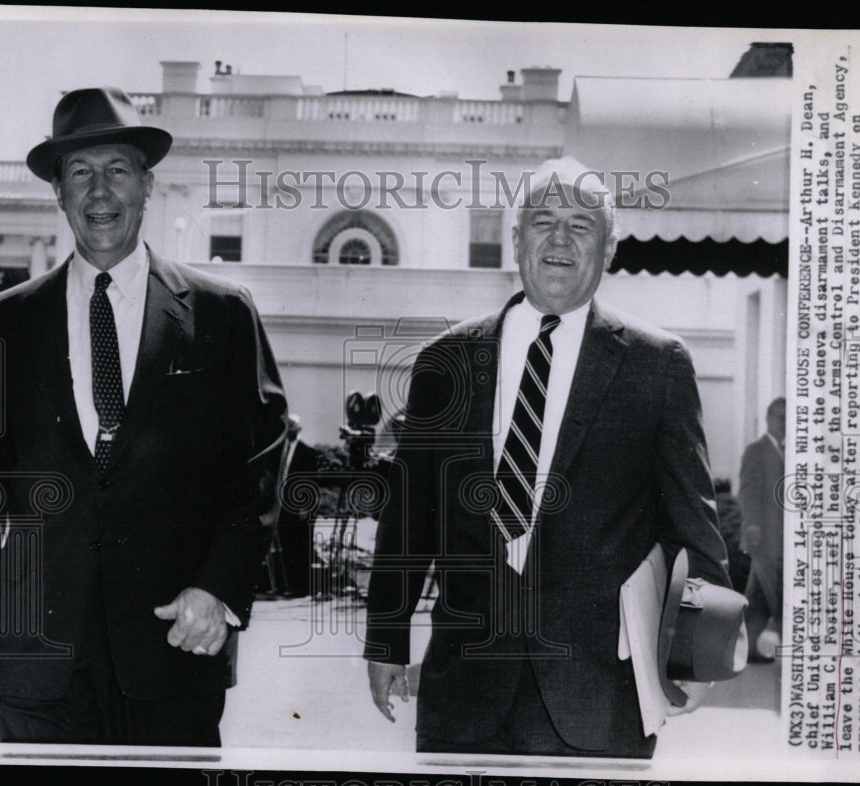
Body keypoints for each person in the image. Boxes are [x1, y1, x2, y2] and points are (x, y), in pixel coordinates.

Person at [0, 86, 288, 746]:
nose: (99, 193)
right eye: (80, 173)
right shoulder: (1, 324)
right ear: (59, 193)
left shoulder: (221, 315)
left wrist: (218, 590)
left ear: (148, 185)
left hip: (171, 654)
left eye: (117, 171)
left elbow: (259, 472)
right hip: (35, 661)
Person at [364, 157, 731, 757]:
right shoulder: (444, 362)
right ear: (516, 239)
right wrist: (385, 640)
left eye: (581, 225)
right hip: (465, 693)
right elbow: (408, 521)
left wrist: (699, 653)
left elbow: (695, 525)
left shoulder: (657, 366)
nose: (559, 239)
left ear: (609, 249)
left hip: (600, 702)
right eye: (542, 221)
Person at [739, 396, 786, 663]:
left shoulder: (786, 451)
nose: (784, 423)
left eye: (788, 418)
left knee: (757, 598)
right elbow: (748, 490)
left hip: (776, 538)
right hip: (762, 537)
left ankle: (742, 648)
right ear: (768, 418)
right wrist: (753, 524)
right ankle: (795, 652)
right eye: (780, 417)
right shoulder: (756, 450)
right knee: (779, 593)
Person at [275, 415, 321, 598]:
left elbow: (311, 483)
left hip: (301, 507)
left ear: (297, 429)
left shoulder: (307, 452)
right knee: (288, 546)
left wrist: (306, 507)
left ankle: (304, 587)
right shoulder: (282, 450)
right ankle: (292, 586)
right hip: (284, 506)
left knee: (302, 547)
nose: (289, 430)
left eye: (292, 427)